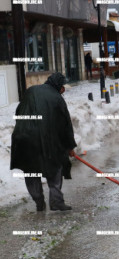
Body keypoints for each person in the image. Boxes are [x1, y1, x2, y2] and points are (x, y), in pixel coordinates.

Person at [10, 72, 77, 212]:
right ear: (59, 86)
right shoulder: (57, 98)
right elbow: (66, 124)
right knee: (55, 167)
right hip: (46, 139)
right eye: (63, 87)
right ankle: (56, 202)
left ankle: (39, 202)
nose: (63, 90)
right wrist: (69, 146)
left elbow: (18, 112)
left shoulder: (31, 91)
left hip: (24, 138)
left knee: (31, 170)